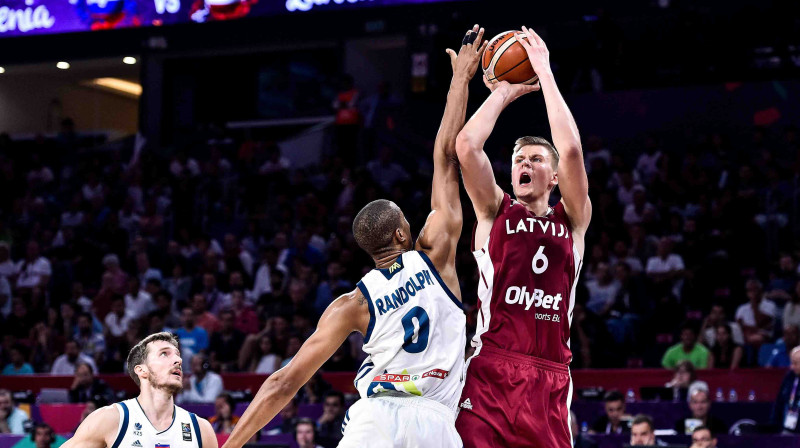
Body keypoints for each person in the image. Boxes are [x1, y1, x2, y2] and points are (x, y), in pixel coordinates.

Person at [221, 24, 486, 448]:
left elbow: (284, 382)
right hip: (436, 422)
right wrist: (459, 81)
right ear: (403, 232)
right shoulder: (435, 252)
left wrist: (230, 445)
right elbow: (446, 155)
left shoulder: (353, 304)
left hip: (375, 420)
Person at [454, 26, 591, 448]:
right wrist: (504, 91)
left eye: (534, 159)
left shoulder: (574, 221)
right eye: (517, 160)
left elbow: (569, 151)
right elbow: (467, 146)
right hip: (490, 372)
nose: (523, 164)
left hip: (549, 379)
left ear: (553, 178)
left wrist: (544, 73)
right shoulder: (494, 211)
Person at [61, 332, 217, 447]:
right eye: (164, 354)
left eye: (177, 355)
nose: (178, 360)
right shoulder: (111, 419)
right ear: (142, 370)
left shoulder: (201, 429)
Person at [771, 346, 800, 434]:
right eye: (791, 362)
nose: (791, 367)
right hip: (787, 428)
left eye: (795, 363)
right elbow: (779, 403)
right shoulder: (789, 377)